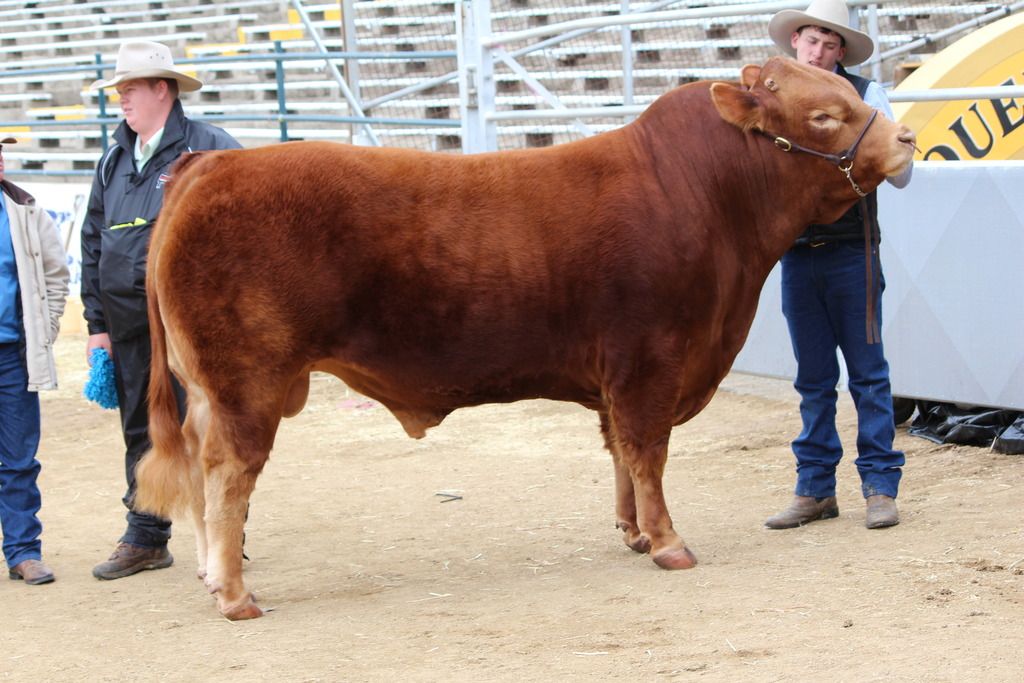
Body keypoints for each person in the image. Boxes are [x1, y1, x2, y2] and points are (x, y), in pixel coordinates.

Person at [81, 41, 241, 580]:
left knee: (210, 424)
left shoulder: (210, 148)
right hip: (128, 321)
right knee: (140, 425)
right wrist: (96, 325)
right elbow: (92, 242)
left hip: (196, 324)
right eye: (120, 89)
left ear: (161, 89)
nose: (122, 98)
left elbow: (245, 235)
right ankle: (147, 535)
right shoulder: (112, 159)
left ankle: (225, 531)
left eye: (130, 87)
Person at [764, 0, 913, 530]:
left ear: (841, 51)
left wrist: (899, 147)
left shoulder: (867, 95)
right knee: (814, 377)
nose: (819, 51)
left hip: (854, 251)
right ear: (796, 43)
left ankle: (878, 486)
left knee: (867, 375)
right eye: (811, 40)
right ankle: (815, 489)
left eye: (830, 44)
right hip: (797, 252)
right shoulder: (773, 97)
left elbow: (901, 174)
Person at [1, 136, 71, 585]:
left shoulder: (25, 210)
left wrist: (43, 331)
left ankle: (24, 550)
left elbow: (56, 274)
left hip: (13, 357)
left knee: (20, 460)